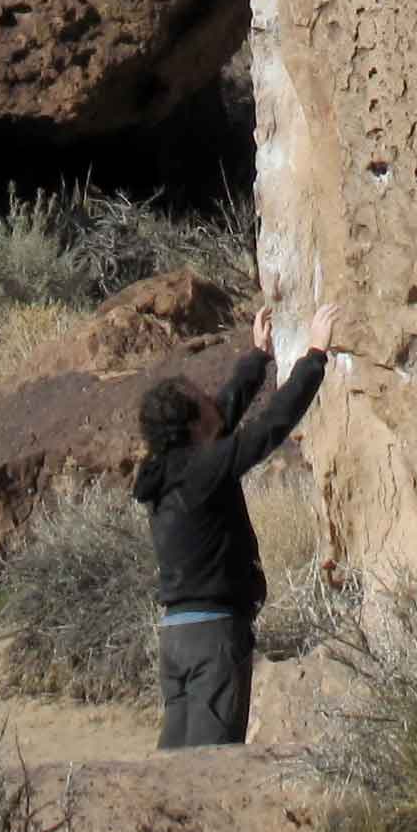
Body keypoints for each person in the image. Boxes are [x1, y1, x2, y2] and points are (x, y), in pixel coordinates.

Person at [132, 314, 334, 750]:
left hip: (177, 636)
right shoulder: (203, 470)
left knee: (175, 758)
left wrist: (257, 358)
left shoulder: (165, 469)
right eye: (203, 400)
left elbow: (220, 416)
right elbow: (269, 427)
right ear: (190, 427)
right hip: (213, 639)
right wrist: (314, 357)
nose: (213, 402)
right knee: (208, 764)